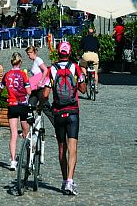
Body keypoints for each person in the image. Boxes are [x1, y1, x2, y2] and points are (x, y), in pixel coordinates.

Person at [42, 41, 85, 196]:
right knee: (73, 148)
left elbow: (46, 94)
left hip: (58, 112)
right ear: (69, 52)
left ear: (58, 53)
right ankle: (69, 181)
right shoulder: (75, 67)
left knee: (62, 148)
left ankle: (63, 180)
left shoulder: (51, 69)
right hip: (73, 111)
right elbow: (83, 89)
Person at [0, 52, 31, 171]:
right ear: (20, 62)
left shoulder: (7, 75)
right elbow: (28, 91)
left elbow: (0, 88)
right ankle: (28, 156)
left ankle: (13, 161)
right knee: (26, 133)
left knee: (13, 134)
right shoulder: (23, 75)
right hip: (22, 104)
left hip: (12, 105)